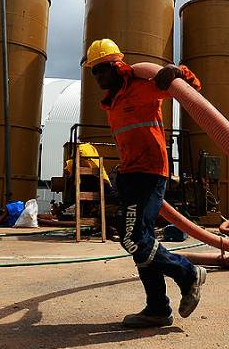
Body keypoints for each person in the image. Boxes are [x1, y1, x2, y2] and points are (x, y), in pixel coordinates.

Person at [83, 38, 207, 328]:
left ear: (117, 66)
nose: (99, 76)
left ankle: (188, 273)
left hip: (150, 172)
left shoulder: (141, 85)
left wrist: (176, 71)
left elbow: (192, 89)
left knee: (133, 240)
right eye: (94, 72)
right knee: (142, 241)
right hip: (128, 174)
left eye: (102, 69)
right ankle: (157, 309)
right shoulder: (111, 102)